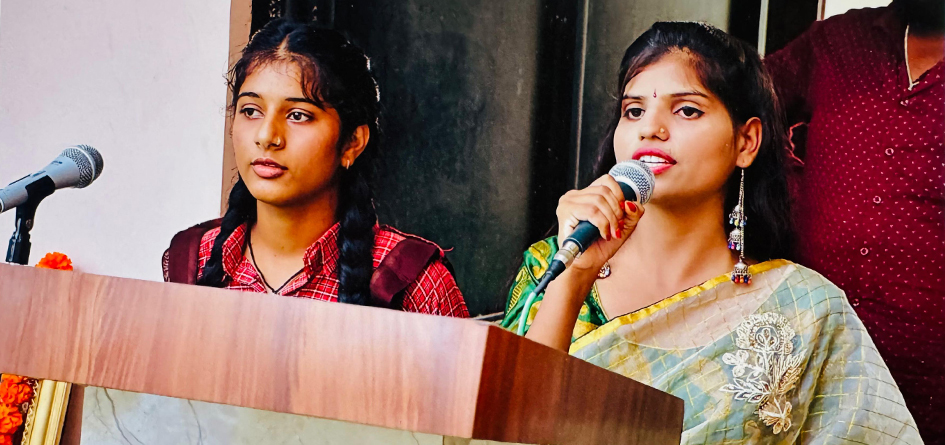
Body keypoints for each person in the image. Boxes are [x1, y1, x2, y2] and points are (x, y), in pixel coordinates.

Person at [502, 22, 922, 444]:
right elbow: (502, 431)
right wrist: (575, 275)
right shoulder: (551, 268)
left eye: (686, 110)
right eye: (634, 111)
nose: (651, 129)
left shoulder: (806, 310)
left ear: (746, 142)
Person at [163, 19, 468, 317]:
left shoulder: (414, 282)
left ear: (352, 142)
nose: (267, 137)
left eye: (298, 115)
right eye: (251, 111)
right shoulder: (192, 261)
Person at [763, 1, 944, 442]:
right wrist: (790, 184)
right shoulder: (836, 42)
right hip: (807, 354)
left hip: (928, 385)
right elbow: (739, 105)